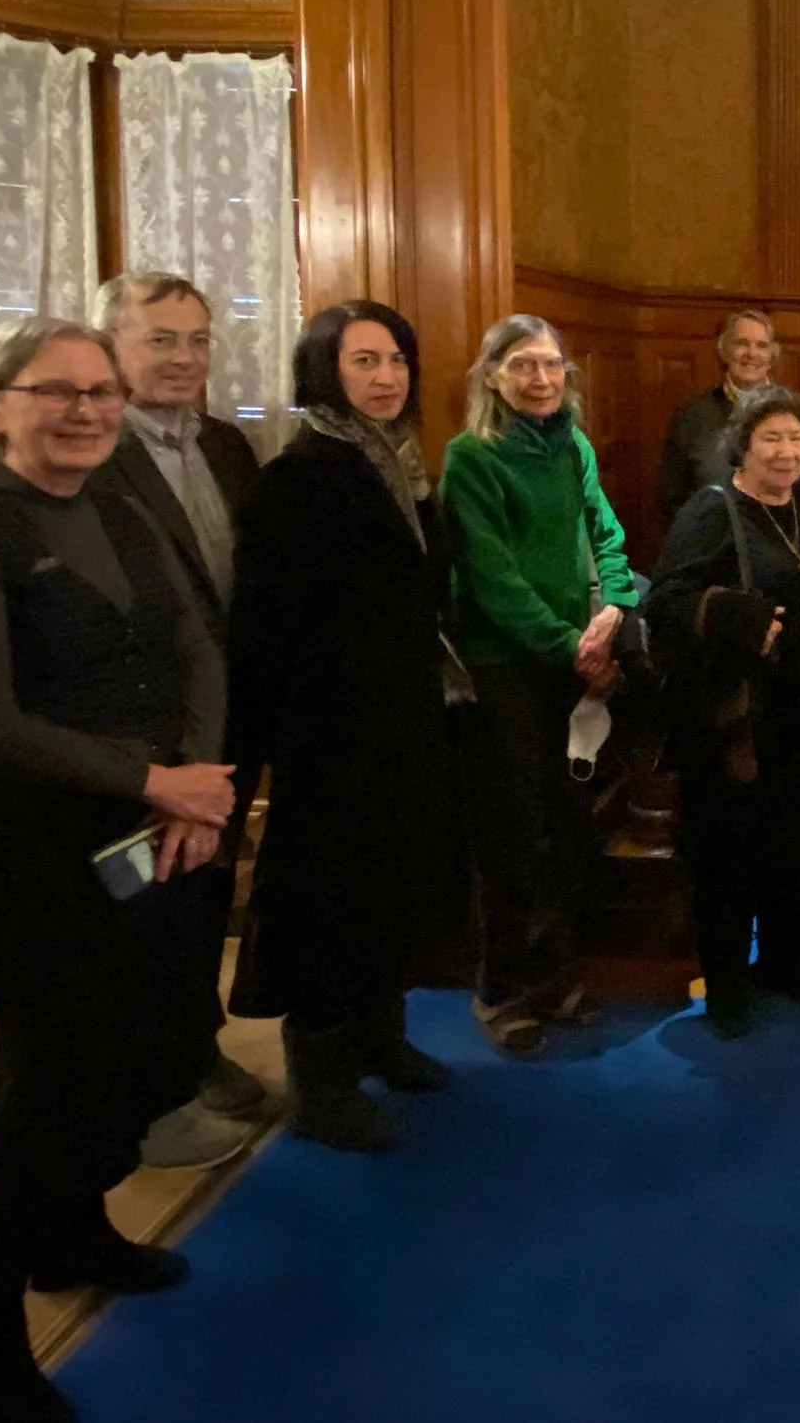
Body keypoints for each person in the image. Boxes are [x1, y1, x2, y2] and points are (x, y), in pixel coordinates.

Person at [0, 317, 235, 1423]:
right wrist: (159, 785)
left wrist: (195, 780)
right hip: (23, 853)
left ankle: (76, 1235)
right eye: (56, 392)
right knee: (40, 1078)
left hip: (142, 836)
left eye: (101, 391)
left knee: (123, 1046)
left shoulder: (123, 510)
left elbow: (194, 649)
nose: (87, 411)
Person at [227, 302, 467, 1151]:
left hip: (399, 718)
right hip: (329, 734)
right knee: (326, 904)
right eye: (364, 361)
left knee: (388, 888)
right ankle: (321, 1081)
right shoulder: (300, 477)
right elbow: (270, 624)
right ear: (325, 371)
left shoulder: (401, 464)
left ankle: (381, 1035)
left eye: (396, 359)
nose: (385, 376)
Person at [91, 270, 269, 1169]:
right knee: (140, 903)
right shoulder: (94, 453)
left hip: (226, 719)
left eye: (197, 339)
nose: (184, 357)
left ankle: (194, 1050)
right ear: (113, 346)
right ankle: (146, 1082)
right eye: (161, 338)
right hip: (139, 738)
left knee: (203, 895)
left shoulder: (230, 449)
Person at [441, 315, 641, 1058]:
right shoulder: (471, 457)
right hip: (506, 666)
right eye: (523, 364)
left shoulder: (573, 445)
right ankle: (499, 986)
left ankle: (551, 968)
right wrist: (573, 648)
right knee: (511, 835)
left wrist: (614, 614)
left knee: (568, 826)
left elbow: (609, 536)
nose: (541, 378)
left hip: (576, 657)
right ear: (491, 375)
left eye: (552, 364)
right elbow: (493, 580)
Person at [648, 385, 800, 1038]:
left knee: (796, 839)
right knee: (728, 846)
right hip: (731, 711)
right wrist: (739, 618)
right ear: (743, 443)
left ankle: (789, 960)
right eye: (772, 437)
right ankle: (728, 980)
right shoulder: (712, 511)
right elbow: (667, 601)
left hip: (799, 700)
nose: (786, 450)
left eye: (796, 438)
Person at [658, 308, 779, 531]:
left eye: (761, 346)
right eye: (742, 343)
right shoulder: (691, 416)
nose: (751, 353)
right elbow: (672, 497)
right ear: (724, 351)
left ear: (772, 355)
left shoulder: (792, 415)